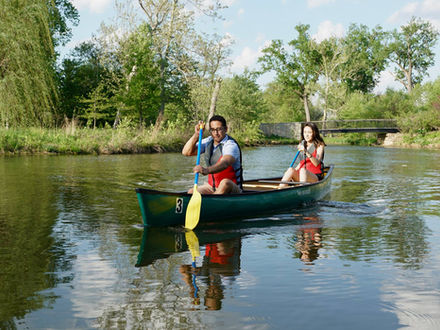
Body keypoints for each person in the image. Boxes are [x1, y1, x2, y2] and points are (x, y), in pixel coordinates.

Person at [182, 115, 243, 194]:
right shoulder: (208, 141)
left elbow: (225, 163)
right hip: (211, 187)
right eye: (213, 130)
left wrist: (206, 170)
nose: (216, 133)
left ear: (226, 129)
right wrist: (196, 135)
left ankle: (212, 202)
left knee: (225, 183)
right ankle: (212, 200)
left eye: (219, 129)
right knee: (191, 192)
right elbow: (186, 152)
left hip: (232, 189)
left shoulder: (230, 145)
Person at [279, 122, 326, 188]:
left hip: (314, 176)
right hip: (302, 176)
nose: (306, 135)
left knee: (303, 170)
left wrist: (306, 151)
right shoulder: (303, 144)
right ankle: (280, 189)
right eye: (305, 132)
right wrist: (290, 172)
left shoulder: (319, 145)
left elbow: (316, 163)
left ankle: (301, 191)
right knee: (290, 169)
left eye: (309, 132)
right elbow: (302, 162)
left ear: (314, 133)